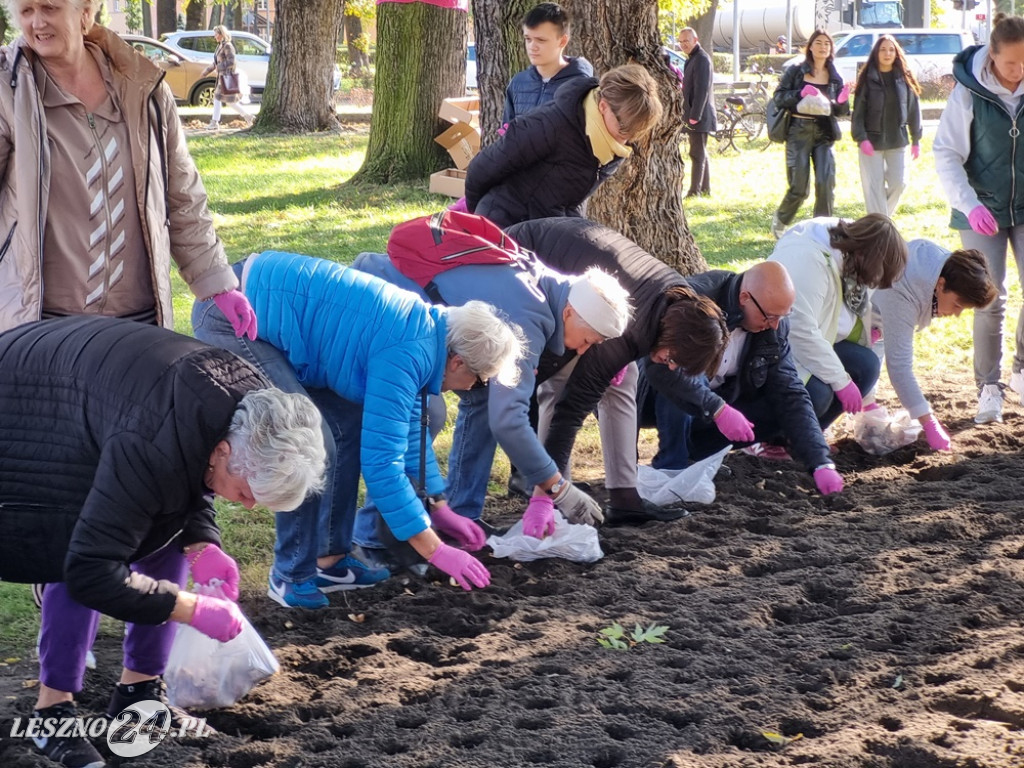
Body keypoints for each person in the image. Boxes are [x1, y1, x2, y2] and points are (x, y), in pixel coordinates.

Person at [0, 316, 326, 768]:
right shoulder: (154, 440)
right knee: (76, 544)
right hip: (27, 407)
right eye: (247, 493)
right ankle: (52, 714)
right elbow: (91, 569)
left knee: (164, 533)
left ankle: (139, 695)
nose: (250, 506)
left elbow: (187, 467)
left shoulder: (253, 410)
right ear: (225, 453)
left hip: (101, 399)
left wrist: (203, 543)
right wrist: (191, 609)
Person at [194, 250, 526, 606]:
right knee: (306, 441)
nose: (473, 387)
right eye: (479, 379)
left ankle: (330, 561)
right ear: (458, 362)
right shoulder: (408, 350)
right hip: (233, 310)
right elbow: (383, 467)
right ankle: (290, 575)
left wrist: (439, 505)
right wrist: (436, 551)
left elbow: (407, 431)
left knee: (348, 426)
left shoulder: (427, 338)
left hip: (272, 312)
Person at [351, 233, 631, 544]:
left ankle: (460, 515)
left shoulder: (548, 286)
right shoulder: (528, 317)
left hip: (411, 318)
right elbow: (508, 420)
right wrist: (557, 488)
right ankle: (373, 536)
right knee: (426, 414)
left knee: (483, 397)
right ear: (569, 313)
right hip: (374, 307)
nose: (582, 350)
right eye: (589, 340)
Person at [0, 0, 256, 338]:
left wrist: (218, 284)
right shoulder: (7, 90)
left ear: (85, 11)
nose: (37, 23)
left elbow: (183, 196)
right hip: (47, 325)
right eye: (26, 11)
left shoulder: (142, 86)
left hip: (139, 322)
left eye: (49, 8)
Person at [506, 217, 732, 525]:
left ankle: (625, 497)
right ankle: (553, 498)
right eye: (673, 358)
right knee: (560, 386)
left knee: (625, 379)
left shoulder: (678, 305)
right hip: (526, 259)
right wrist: (549, 494)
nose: (671, 366)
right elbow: (570, 411)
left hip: (587, 278)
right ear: (671, 335)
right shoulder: (633, 330)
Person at [634, 262, 844, 496]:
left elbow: (789, 390)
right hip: (654, 395)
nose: (774, 325)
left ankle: (699, 457)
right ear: (745, 298)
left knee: (791, 400)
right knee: (687, 366)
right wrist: (718, 409)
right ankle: (672, 467)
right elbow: (662, 365)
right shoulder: (697, 300)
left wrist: (820, 461)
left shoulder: (772, 326)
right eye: (770, 316)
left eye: (782, 317)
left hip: (717, 400)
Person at [934, 13, 1024, 425]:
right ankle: (989, 386)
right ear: (992, 56)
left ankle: (1021, 370)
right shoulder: (969, 92)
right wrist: (970, 205)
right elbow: (946, 153)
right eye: (1011, 63)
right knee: (990, 296)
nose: (1018, 72)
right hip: (981, 207)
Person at [465, 63, 663, 228]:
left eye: (635, 133)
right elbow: (481, 168)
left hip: (546, 233)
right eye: (623, 128)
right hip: (502, 227)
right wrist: (479, 221)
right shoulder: (551, 125)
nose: (626, 139)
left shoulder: (611, 146)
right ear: (603, 106)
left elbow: (569, 199)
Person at [767, 214, 908, 429]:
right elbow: (797, 329)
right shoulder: (808, 261)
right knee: (818, 395)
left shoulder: (850, 257)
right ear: (865, 258)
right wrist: (840, 381)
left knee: (866, 366)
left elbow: (838, 318)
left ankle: (804, 438)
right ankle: (772, 436)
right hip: (775, 351)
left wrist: (870, 331)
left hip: (810, 343)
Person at [872, 242, 996, 451]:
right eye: (957, 304)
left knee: (865, 381)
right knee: (858, 373)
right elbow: (899, 368)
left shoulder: (942, 267)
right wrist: (929, 423)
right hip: (840, 322)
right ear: (941, 284)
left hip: (873, 324)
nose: (956, 314)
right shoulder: (903, 293)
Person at [770, 29, 851, 240]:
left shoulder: (835, 75)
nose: (823, 47)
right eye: (819, 43)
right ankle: (781, 219)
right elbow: (779, 97)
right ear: (811, 47)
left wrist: (843, 101)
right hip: (798, 131)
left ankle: (822, 230)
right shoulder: (797, 71)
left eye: (827, 43)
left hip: (825, 132)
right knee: (799, 187)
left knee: (825, 183)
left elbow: (840, 111)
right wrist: (800, 93)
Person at [851, 34, 923, 217]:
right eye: (883, 49)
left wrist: (916, 139)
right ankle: (880, 226)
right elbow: (857, 114)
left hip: (897, 141)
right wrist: (861, 138)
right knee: (873, 188)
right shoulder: (867, 79)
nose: (887, 53)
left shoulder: (905, 79)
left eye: (891, 49)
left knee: (899, 184)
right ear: (876, 53)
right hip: (871, 142)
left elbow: (914, 110)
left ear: (897, 53)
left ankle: (879, 220)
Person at [502, 3, 593, 125]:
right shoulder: (518, 83)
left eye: (541, 40)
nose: (532, 47)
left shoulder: (581, 86)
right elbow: (506, 129)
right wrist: (502, 135)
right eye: (528, 39)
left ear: (563, 41)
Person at [679, 27, 716, 198]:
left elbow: (702, 90)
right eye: (681, 42)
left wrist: (695, 116)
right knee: (700, 152)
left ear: (695, 40)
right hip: (694, 114)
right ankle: (705, 188)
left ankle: (695, 191)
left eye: (686, 41)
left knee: (696, 153)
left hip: (699, 115)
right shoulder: (692, 58)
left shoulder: (701, 59)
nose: (683, 44)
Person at [201, 25, 254, 130]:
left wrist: (219, 67)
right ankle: (248, 116)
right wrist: (206, 71)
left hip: (226, 76)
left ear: (222, 34)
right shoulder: (220, 46)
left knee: (218, 98)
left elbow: (232, 61)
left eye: (216, 34)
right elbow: (216, 63)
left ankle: (215, 122)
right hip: (222, 77)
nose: (214, 36)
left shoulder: (228, 46)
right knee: (229, 101)